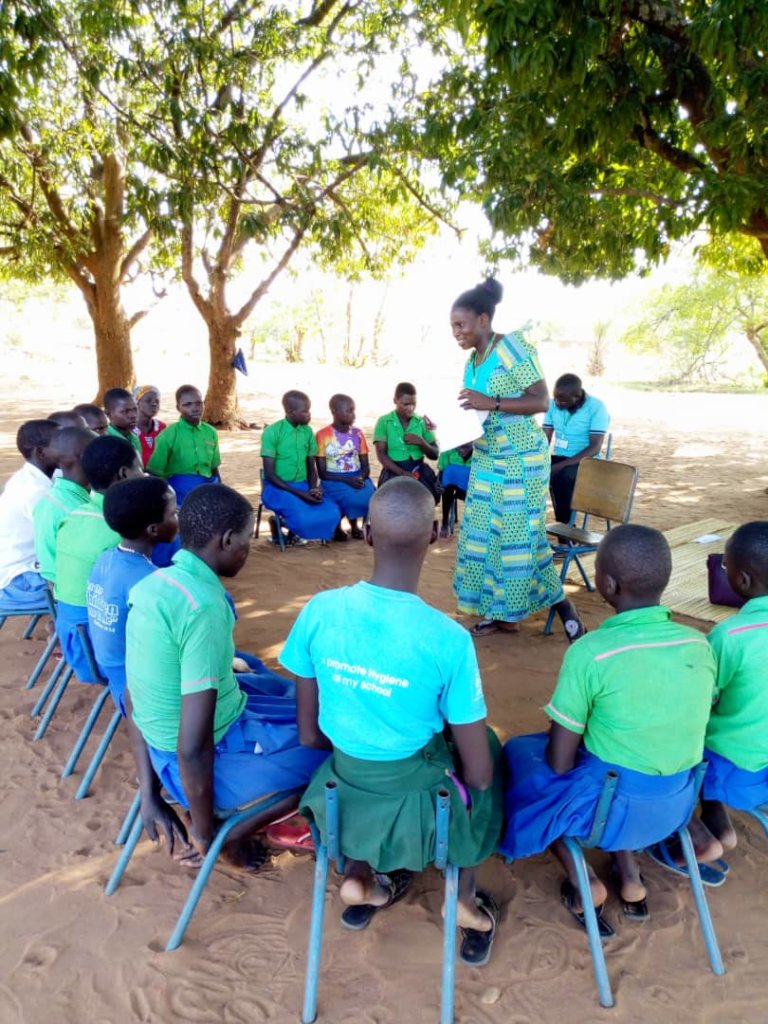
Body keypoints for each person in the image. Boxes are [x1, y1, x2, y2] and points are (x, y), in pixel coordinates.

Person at [280, 477, 502, 963]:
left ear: (366, 535)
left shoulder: (320, 610)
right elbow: (479, 774)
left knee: (360, 764)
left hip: (341, 791)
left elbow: (309, 734)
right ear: (436, 537)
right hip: (422, 805)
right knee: (488, 760)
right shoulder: (448, 640)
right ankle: (462, 899)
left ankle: (361, 876)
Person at [499, 525, 717, 930]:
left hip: (606, 809)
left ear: (608, 584)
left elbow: (559, 763)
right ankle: (631, 877)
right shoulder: (699, 645)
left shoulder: (591, 653)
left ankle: (587, 882)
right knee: (622, 763)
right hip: (675, 804)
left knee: (520, 756)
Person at [126, 484, 328, 870]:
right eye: (245, 544)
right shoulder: (203, 607)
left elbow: (133, 694)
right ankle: (233, 832)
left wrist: (148, 794)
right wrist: (203, 832)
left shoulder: (153, 587)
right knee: (341, 754)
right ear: (228, 539)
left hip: (184, 744)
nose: (246, 553)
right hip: (205, 761)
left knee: (282, 690)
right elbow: (193, 744)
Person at [450, 278, 584, 640]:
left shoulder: (511, 347)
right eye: (452, 327)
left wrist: (490, 402)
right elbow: (475, 411)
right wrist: (458, 434)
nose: (456, 333)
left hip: (521, 460)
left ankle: (559, 606)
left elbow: (540, 401)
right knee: (484, 536)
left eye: (460, 325)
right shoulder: (471, 362)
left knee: (518, 538)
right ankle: (500, 613)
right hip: (486, 457)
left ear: (482, 319)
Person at [666, 522, 768, 872]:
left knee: (682, 735)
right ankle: (717, 818)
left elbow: (701, 700)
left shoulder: (730, 637)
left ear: (741, 581)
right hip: (762, 768)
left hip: (732, 764)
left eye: (725, 567)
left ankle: (707, 838)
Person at [54, 435, 143, 682]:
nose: (143, 476)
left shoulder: (73, 518)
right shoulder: (122, 532)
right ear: (125, 474)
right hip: (105, 655)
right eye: (140, 469)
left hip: (74, 644)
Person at [87, 475, 179, 714]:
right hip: (140, 693)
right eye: (173, 513)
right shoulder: (150, 581)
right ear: (153, 529)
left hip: (114, 676)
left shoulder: (105, 558)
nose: (178, 514)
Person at [260, 390, 340, 543]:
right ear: (290, 412)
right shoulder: (272, 432)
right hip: (277, 488)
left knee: (333, 511)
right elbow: (270, 475)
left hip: (303, 486)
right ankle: (278, 524)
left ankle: (290, 529)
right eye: (305, 411)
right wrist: (301, 494)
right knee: (302, 514)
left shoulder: (308, 432)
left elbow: (311, 466)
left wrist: (313, 488)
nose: (309, 414)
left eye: (309, 410)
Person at [0, 420, 59, 613]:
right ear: (41, 452)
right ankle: (64, 631)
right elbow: (61, 539)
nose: (67, 446)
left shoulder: (42, 476)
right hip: (18, 582)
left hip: (26, 569)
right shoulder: (34, 491)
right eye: (59, 442)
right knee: (85, 583)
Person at [543, 373, 611, 524]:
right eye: (556, 398)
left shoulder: (596, 407)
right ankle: (531, 527)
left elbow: (595, 447)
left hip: (587, 462)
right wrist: (535, 460)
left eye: (563, 400)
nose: (558, 403)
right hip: (560, 458)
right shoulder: (552, 405)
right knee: (530, 471)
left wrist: (561, 466)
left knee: (561, 476)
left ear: (577, 396)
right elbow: (544, 438)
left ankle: (566, 530)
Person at [33, 426, 95, 584]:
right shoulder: (66, 508)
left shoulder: (64, 497)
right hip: (73, 592)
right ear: (82, 457)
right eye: (97, 452)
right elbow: (52, 571)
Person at [147, 385, 221, 505]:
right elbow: (155, 472)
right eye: (188, 404)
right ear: (178, 407)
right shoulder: (168, 434)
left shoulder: (211, 432)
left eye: (199, 403)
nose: (195, 408)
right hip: (179, 491)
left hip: (208, 488)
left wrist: (220, 490)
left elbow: (213, 468)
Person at [315, 394, 375, 541]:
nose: (353, 415)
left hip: (356, 476)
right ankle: (337, 527)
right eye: (349, 411)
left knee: (373, 497)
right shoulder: (322, 435)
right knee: (349, 498)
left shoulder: (358, 434)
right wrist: (347, 480)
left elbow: (365, 466)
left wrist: (361, 477)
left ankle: (355, 526)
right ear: (334, 411)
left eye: (353, 410)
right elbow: (322, 473)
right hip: (333, 478)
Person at [373, 382, 441, 503]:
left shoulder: (421, 422)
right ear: (395, 400)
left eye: (413, 404)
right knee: (391, 504)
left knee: (427, 500)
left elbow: (435, 454)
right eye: (406, 404)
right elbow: (381, 456)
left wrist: (421, 442)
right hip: (393, 470)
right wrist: (402, 473)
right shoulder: (384, 422)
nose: (410, 408)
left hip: (418, 469)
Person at [437, 442, 473, 539]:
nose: (462, 450)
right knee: (446, 490)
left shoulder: (480, 452)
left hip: (471, 484)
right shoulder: (447, 449)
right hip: (452, 485)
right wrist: (440, 482)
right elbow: (442, 470)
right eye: (459, 447)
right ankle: (445, 522)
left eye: (466, 447)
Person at [104, 387, 143, 460]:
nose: (133, 415)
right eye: (125, 411)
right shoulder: (106, 441)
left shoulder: (134, 438)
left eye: (135, 409)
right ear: (108, 414)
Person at [133, 385, 166, 468]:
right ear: (137, 403)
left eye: (157, 401)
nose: (154, 404)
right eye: (148, 401)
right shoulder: (129, 430)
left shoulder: (162, 427)